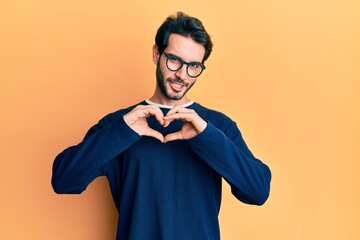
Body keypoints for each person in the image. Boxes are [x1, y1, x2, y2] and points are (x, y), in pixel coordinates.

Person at [52, 11, 272, 240]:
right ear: (157, 54)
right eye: (175, 60)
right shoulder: (120, 124)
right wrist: (123, 130)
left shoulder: (218, 126)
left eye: (194, 65)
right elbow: (64, 180)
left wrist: (207, 136)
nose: (182, 75)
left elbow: (258, 191)